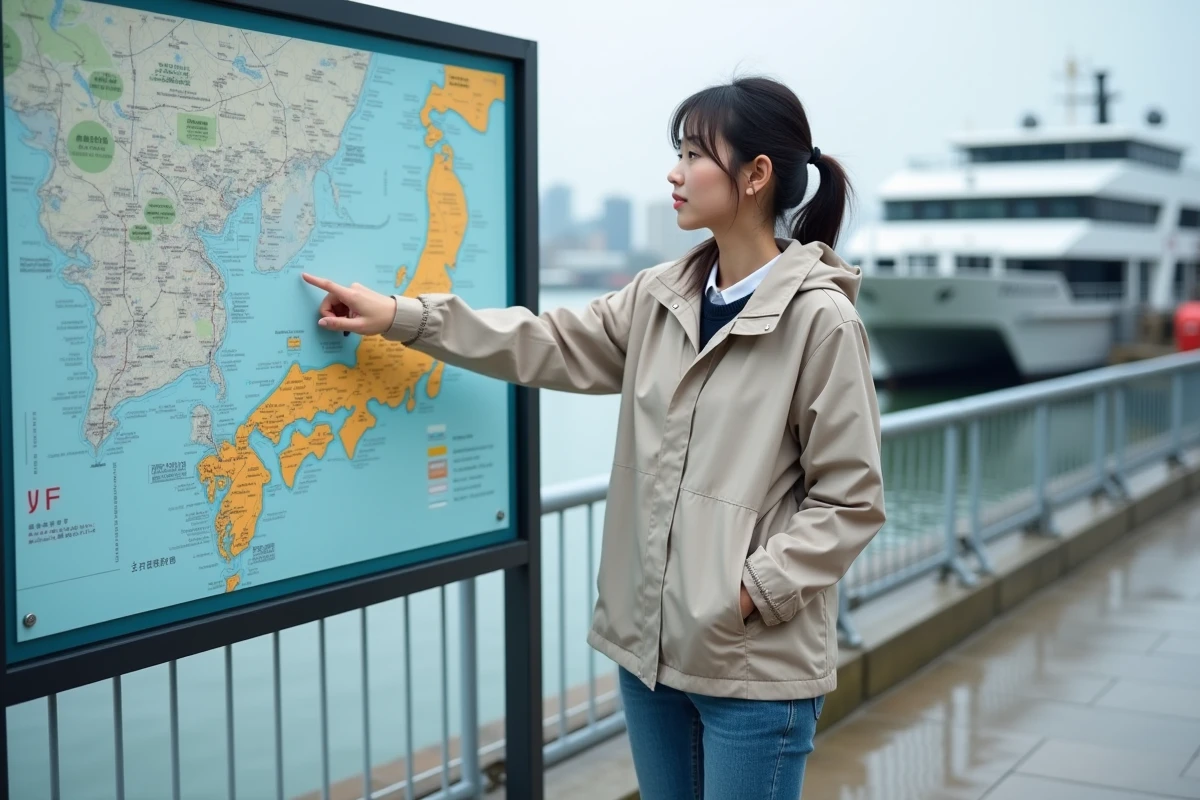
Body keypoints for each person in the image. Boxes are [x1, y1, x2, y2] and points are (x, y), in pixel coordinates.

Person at [302, 76, 886, 800]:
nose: (674, 173)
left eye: (694, 154)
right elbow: (541, 342)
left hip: (754, 671)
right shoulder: (659, 297)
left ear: (756, 174)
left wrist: (750, 592)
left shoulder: (820, 321)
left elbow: (851, 498)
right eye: (676, 153)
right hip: (648, 659)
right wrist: (399, 316)